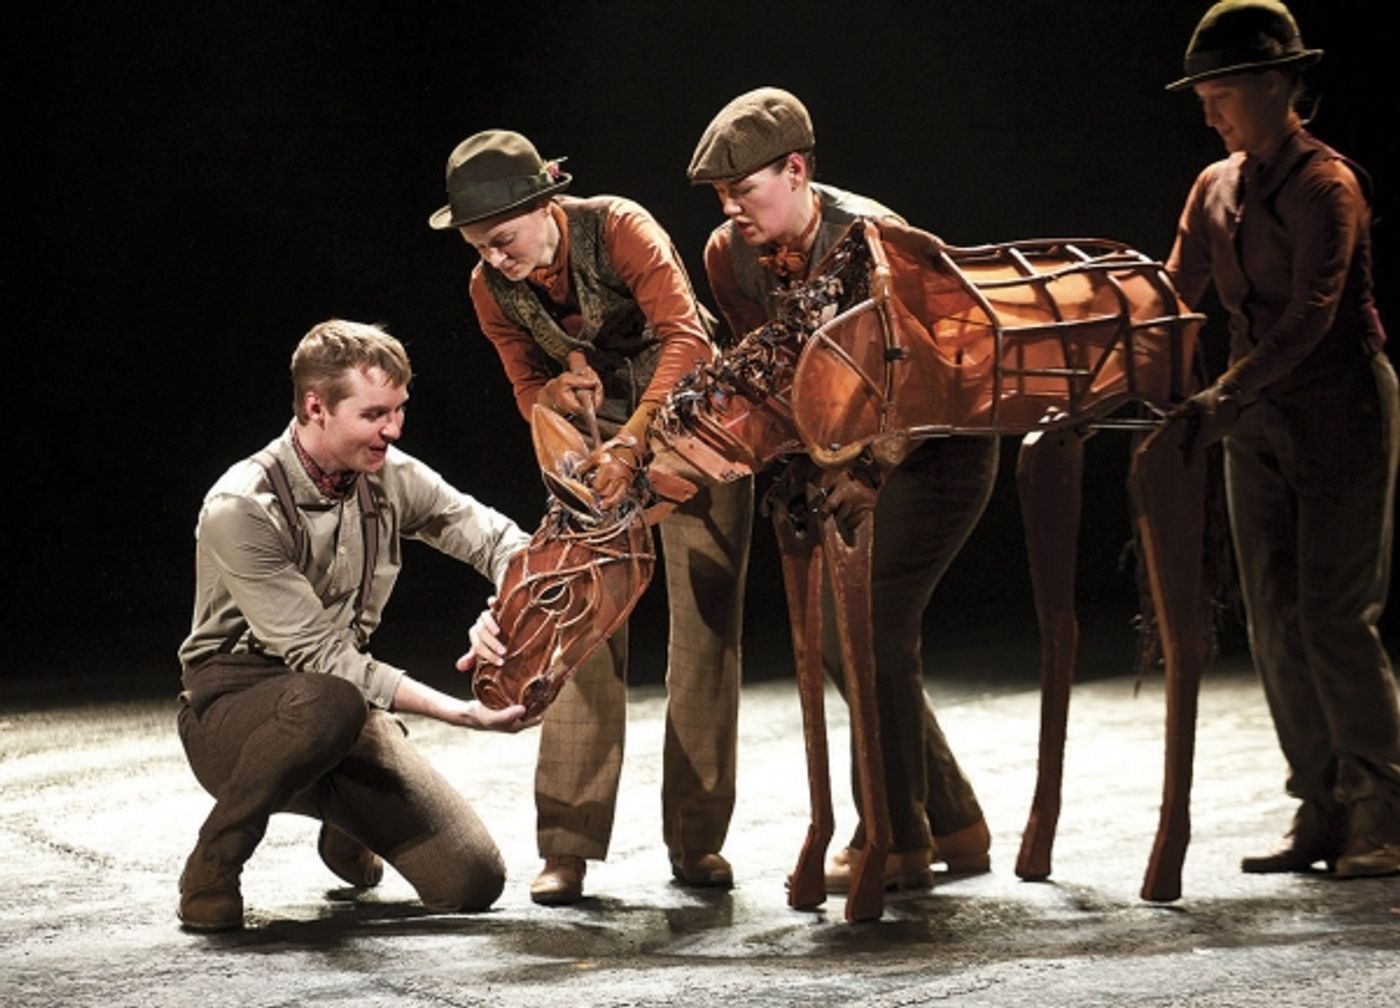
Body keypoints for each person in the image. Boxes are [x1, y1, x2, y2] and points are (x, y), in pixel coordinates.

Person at [428, 130, 753, 905]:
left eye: (503, 242)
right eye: (480, 249)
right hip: (595, 454)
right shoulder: (489, 289)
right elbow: (522, 383)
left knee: (706, 635)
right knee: (576, 625)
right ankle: (567, 846)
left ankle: (697, 840)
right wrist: (557, 418)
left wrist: (635, 445)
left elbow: (688, 340)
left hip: (696, 427)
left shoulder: (619, 228)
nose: (497, 261)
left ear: (545, 205)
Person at [687, 87, 996, 891]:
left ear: (796, 171)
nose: (731, 209)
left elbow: (939, 381)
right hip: (840, 451)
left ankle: (896, 839)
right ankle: (955, 821)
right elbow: (774, 368)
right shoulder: (733, 255)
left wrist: (868, 470)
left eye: (744, 189)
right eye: (721, 195)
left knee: (861, 628)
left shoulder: (877, 239)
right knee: (856, 636)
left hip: (935, 450)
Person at [175, 319, 538, 932]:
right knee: (330, 702)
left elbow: (500, 541)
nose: (393, 429)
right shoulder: (241, 506)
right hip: (233, 712)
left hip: (342, 707)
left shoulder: (390, 474)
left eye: (399, 410)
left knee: (471, 881)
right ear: (317, 407)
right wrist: (461, 714)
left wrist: (504, 612)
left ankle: (347, 820)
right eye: (375, 414)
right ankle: (213, 864)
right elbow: (321, 657)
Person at [1163, 0, 1400, 878]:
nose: (1210, 111)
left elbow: (1311, 313)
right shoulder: (1212, 186)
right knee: (1272, 617)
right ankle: (1322, 808)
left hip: (1340, 405)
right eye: (1203, 96)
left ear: (1276, 84)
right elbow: (1172, 293)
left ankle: (1383, 807)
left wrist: (1226, 389)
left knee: (1337, 614)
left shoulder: (1324, 183)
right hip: (1252, 416)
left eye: (1222, 92)